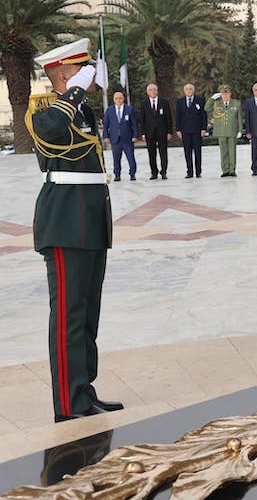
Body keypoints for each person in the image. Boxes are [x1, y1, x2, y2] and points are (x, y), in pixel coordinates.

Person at [28, 38, 123, 421]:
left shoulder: (81, 111)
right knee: (68, 317)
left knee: (87, 316)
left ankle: (84, 392)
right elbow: (50, 133)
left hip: (90, 220)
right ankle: (68, 404)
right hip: (65, 223)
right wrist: (77, 89)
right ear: (67, 75)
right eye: (84, 71)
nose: (93, 77)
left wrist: (80, 95)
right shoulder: (45, 109)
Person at [205, 85, 242, 177]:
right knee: (223, 151)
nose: (225, 95)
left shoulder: (236, 104)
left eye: (227, 93)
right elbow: (206, 108)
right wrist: (212, 99)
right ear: (220, 95)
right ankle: (225, 170)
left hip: (232, 131)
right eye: (223, 94)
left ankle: (232, 170)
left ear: (230, 94)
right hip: (221, 131)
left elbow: (239, 119)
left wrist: (240, 130)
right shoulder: (216, 104)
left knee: (232, 151)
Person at [102, 92, 138, 181]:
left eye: (120, 98)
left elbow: (134, 124)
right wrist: (105, 136)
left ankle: (132, 174)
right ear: (114, 100)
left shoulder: (129, 109)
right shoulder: (109, 110)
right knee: (116, 159)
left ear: (123, 99)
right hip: (115, 139)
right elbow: (106, 125)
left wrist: (135, 135)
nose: (118, 100)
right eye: (116, 98)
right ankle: (117, 175)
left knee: (131, 158)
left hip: (127, 138)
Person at [175, 83, 207, 178]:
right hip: (185, 131)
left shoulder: (200, 100)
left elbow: (203, 115)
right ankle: (189, 172)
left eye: (190, 89)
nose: (189, 90)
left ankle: (198, 172)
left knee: (198, 151)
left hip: (197, 130)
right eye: (187, 89)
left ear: (193, 90)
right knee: (187, 152)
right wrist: (178, 129)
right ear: (184, 91)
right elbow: (178, 116)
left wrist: (203, 128)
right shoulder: (180, 101)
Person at [140, 83, 171, 180]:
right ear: (147, 92)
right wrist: (143, 133)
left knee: (163, 153)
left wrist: (169, 132)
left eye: (154, 89)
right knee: (151, 153)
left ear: (157, 91)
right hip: (149, 133)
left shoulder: (164, 102)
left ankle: (164, 171)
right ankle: (154, 172)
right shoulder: (144, 104)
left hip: (162, 131)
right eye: (151, 90)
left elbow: (168, 118)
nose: (153, 91)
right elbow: (142, 120)